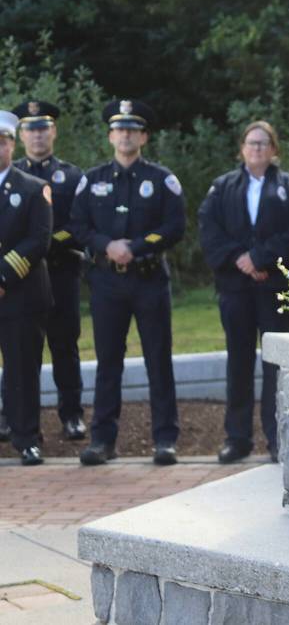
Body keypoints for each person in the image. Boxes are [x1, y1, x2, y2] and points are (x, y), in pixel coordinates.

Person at [69, 99, 186, 466]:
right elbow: (78, 226)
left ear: (144, 137)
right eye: (119, 130)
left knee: (157, 360)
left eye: (132, 130)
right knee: (108, 363)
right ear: (110, 137)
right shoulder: (93, 179)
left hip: (149, 281)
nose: (125, 136)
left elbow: (174, 226)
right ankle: (102, 440)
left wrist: (134, 248)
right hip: (106, 283)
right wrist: (107, 246)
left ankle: (165, 439)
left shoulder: (161, 180)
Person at [198, 121, 289, 464]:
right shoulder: (222, 188)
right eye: (252, 143)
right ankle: (237, 439)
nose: (257, 149)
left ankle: (277, 438)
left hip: (274, 288)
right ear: (242, 149)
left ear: (274, 149)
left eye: (264, 144)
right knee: (239, 362)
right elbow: (209, 229)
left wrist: (261, 258)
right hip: (235, 288)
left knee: (275, 365)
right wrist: (240, 260)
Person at [10, 100, 87, 440]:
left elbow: (82, 224)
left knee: (64, 346)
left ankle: (71, 415)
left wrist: (43, 242)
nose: (37, 135)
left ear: (53, 131)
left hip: (60, 272)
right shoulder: (8, 178)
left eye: (43, 128)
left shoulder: (72, 176)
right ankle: (9, 415)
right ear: (20, 135)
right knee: (16, 349)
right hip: (20, 280)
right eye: (30, 128)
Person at [0, 110, 53, 465]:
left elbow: (39, 241)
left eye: (2, 141)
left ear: (12, 144)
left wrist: (2, 276)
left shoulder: (33, 188)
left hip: (19, 294)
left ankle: (26, 437)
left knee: (22, 369)